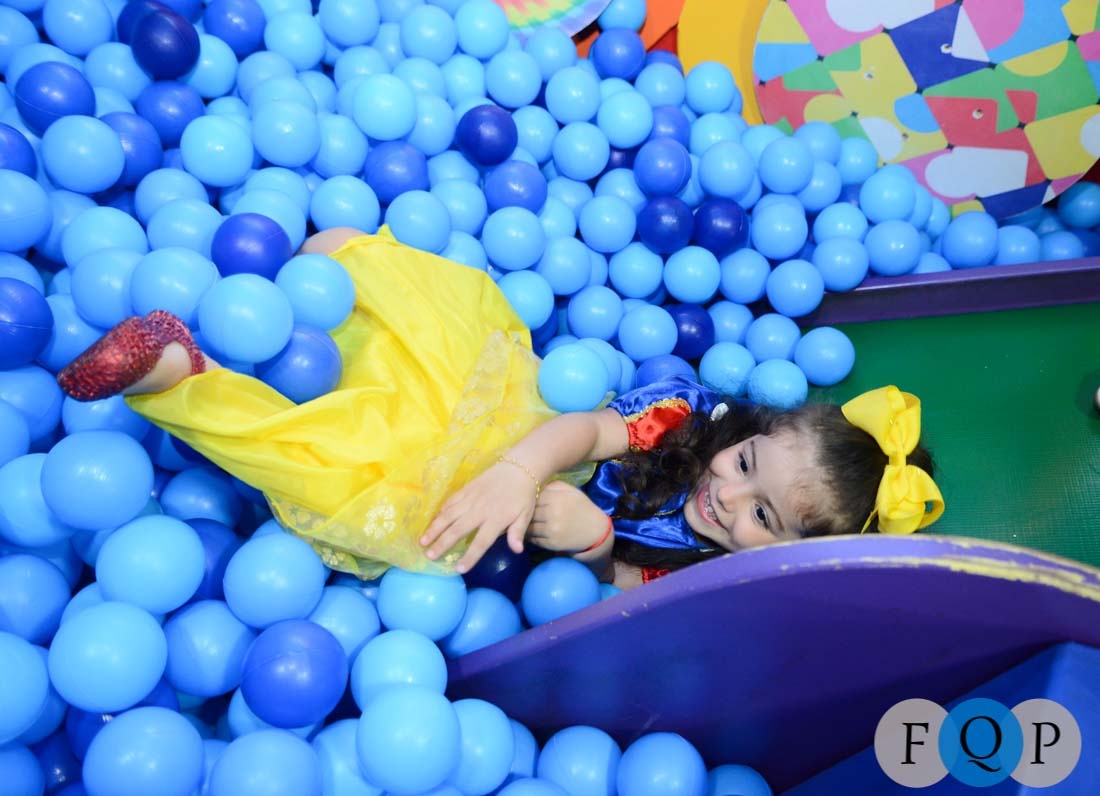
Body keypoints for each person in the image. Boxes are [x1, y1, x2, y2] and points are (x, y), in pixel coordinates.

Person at [58, 227, 944, 589]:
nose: (728, 495)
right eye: (746, 464)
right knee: (416, 323)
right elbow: (584, 428)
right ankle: (328, 279)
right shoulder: (685, 418)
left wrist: (595, 546)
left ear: (788, 554)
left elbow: (631, 596)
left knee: (364, 477)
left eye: (763, 518)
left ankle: (184, 372)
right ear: (754, 430)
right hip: (516, 423)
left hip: (484, 507)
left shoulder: (720, 579)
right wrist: (521, 472)